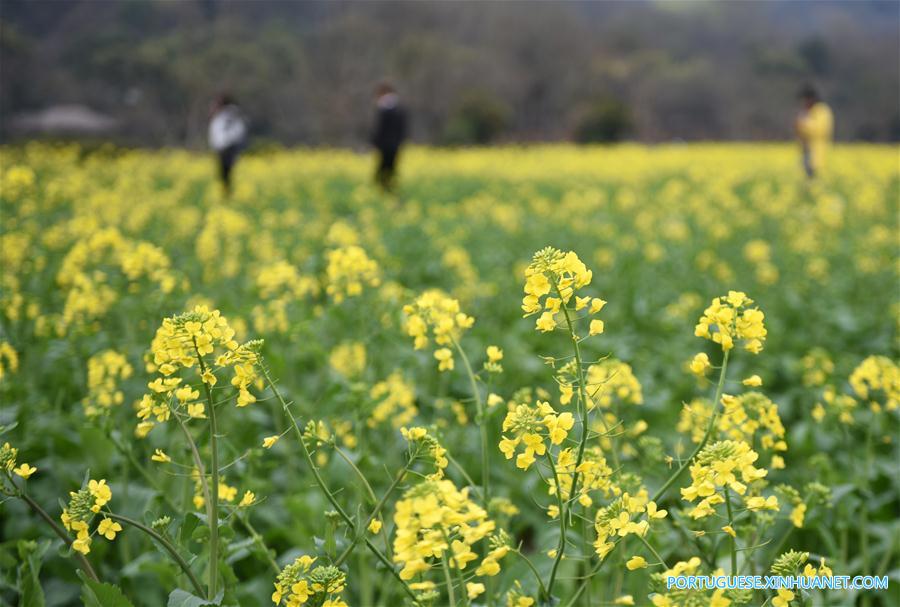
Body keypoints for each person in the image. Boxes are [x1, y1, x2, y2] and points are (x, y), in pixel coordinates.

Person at [370, 82, 407, 192]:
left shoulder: (385, 110)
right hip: (396, 146)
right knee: (391, 171)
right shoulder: (400, 109)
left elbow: (380, 130)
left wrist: (375, 143)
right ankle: (390, 191)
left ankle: (384, 191)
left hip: (385, 147)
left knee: (382, 172)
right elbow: (403, 130)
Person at [208, 94, 247, 196]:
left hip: (226, 148)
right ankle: (227, 194)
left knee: (226, 174)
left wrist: (223, 144)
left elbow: (222, 133)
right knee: (225, 175)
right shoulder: (231, 114)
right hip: (227, 148)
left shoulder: (227, 116)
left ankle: (227, 194)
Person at [794, 84, 833, 179]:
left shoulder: (821, 111)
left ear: (811, 98)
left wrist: (802, 124)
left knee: (815, 178)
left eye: (805, 99)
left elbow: (820, 130)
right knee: (807, 178)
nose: (803, 103)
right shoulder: (808, 111)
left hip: (816, 152)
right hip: (806, 150)